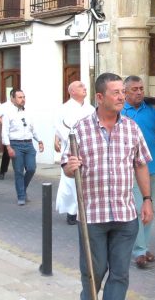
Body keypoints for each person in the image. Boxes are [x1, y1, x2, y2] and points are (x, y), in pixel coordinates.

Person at [63, 73, 153, 300]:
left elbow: (141, 165)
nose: (122, 96)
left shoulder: (132, 128)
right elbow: (67, 167)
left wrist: (147, 199)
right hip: (93, 216)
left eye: (123, 91)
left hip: (125, 215)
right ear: (100, 97)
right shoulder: (80, 130)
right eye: (116, 92)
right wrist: (70, 167)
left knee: (120, 274)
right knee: (94, 272)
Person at [121, 75, 155, 269]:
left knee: (149, 208)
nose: (140, 92)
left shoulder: (150, 109)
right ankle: (139, 250)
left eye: (141, 88)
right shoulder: (120, 111)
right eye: (134, 89)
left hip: (151, 167)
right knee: (136, 209)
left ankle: (143, 246)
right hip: (129, 169)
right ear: (125, 92)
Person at [55, 80, 95, 225]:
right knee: (71, 181)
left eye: (84, 86)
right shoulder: (64, 108)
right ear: (71, 91)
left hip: (89, 149)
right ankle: (72, 212)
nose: (84, 88)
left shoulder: (91, 109)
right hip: (71, 149)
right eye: (80, 86)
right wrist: (71, 139)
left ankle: (84, 209)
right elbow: (59, 126)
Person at [1, 89, 43, 206]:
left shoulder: (28, 113)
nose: (22, 99)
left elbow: (33, 128)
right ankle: (21, 196)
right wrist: (8, 147)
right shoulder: (8, 114)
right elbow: (5, 132)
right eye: (19, 97)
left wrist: (39, 140)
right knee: (19, 171)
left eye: (24, 97)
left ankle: (22, 190)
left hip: (28, 144)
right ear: (13, 99)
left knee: (31, 168)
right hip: (16, 144)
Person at [0, 91, 15, 181]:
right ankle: (2, 171)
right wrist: (3, 123)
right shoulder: (5, 106)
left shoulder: (21, 106)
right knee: (6, 153)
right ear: (12, 97)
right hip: (8, 133)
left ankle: (19, 172)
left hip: (19, 133)